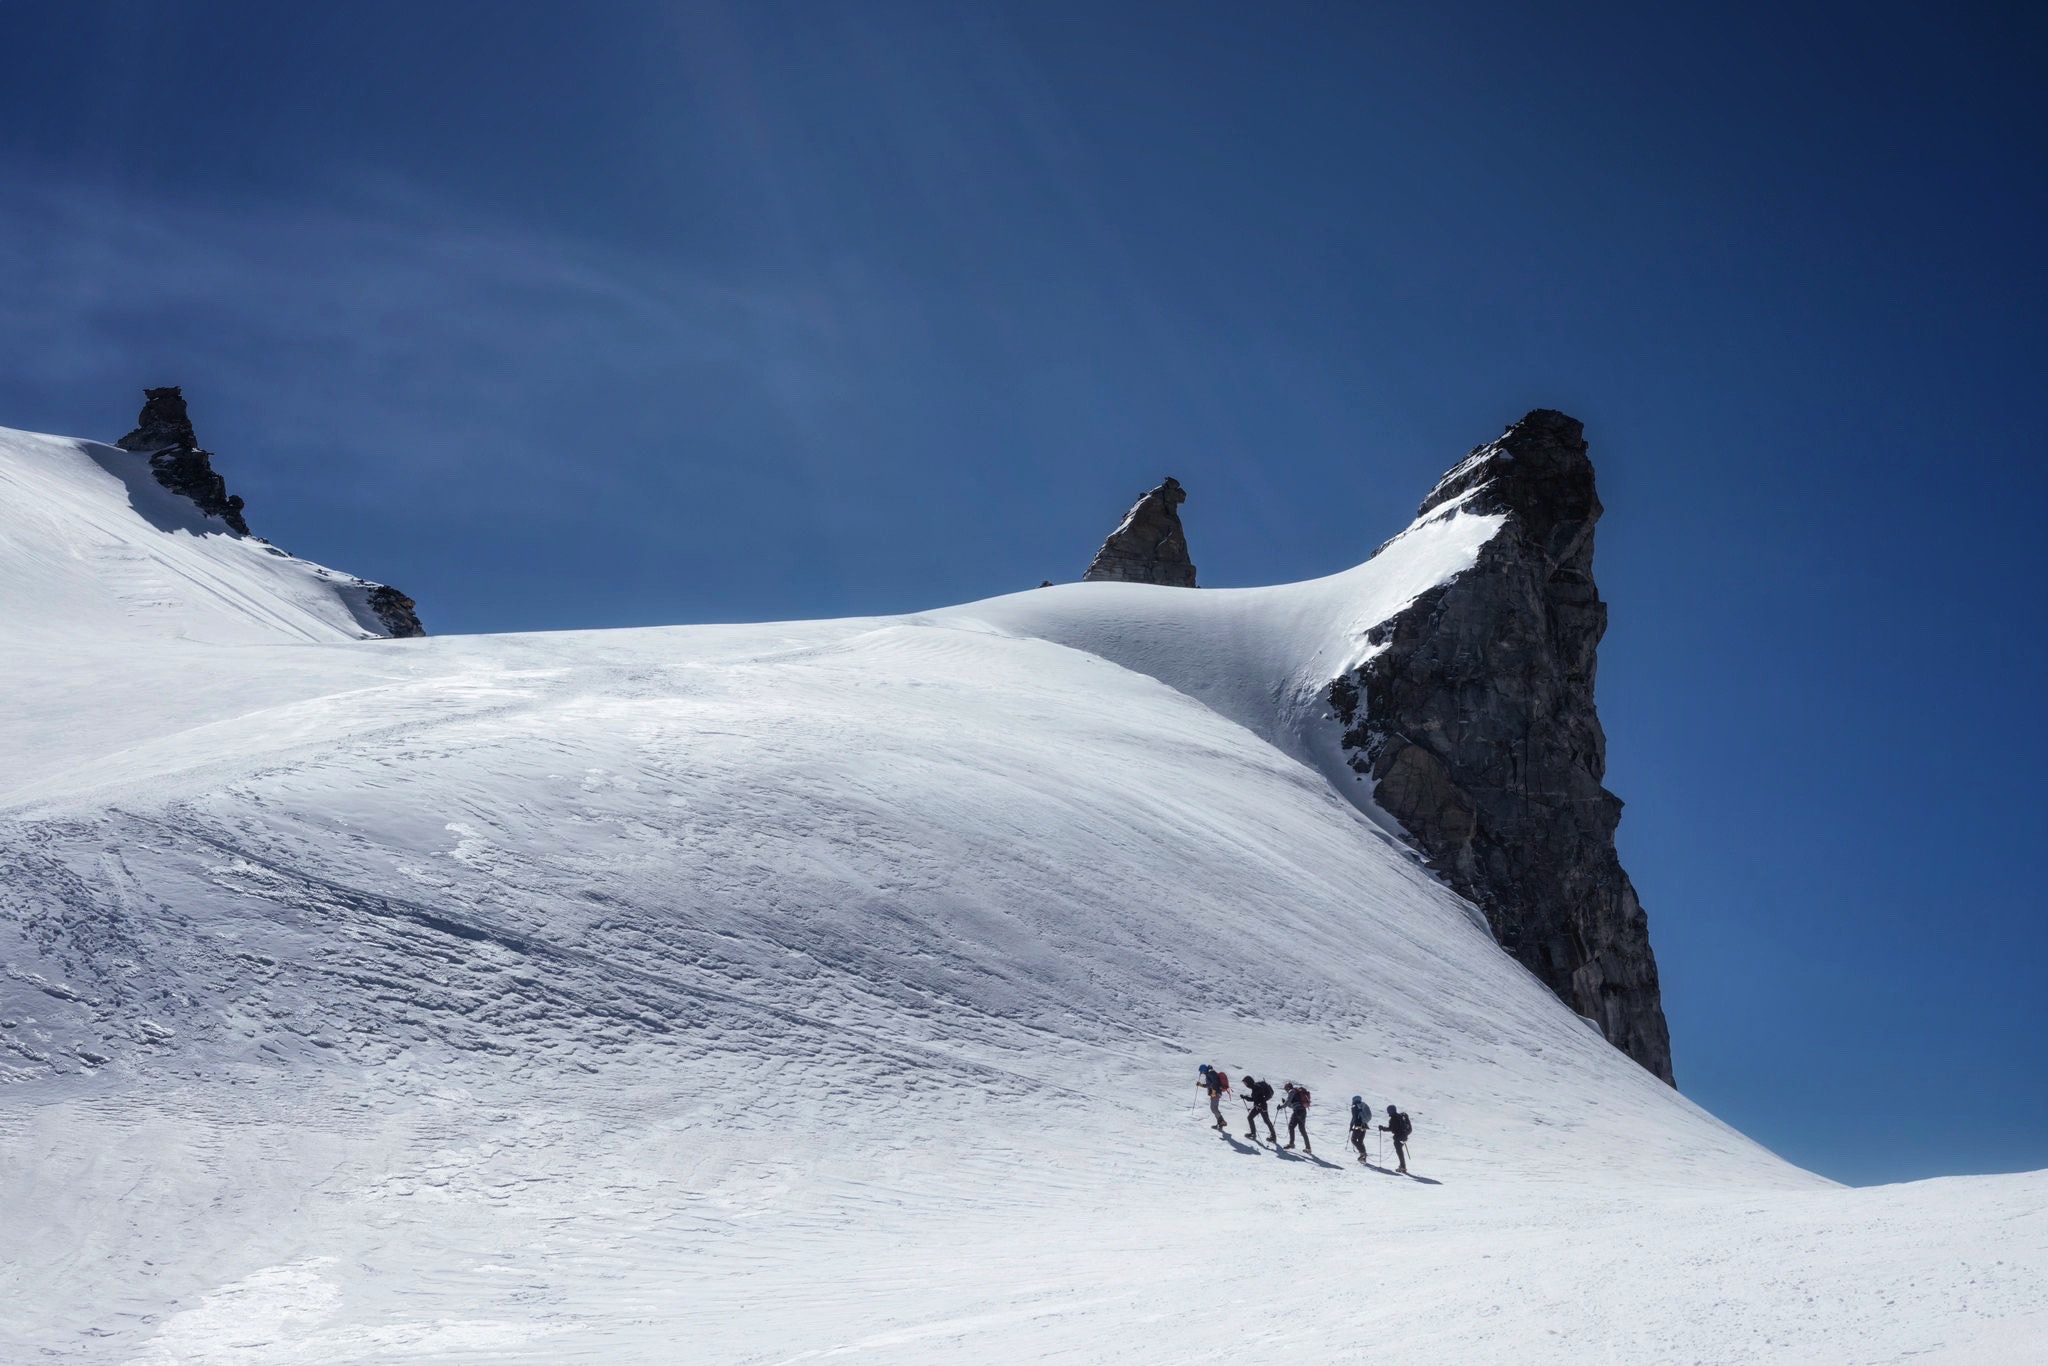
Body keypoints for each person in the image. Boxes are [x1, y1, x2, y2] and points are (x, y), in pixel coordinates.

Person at [1241, 1075, 1277, 1142]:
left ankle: (1273, 1136)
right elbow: (1254, 1099)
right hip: (1258, 1106)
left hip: (1261, 1106)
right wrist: (1245, 1097)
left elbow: (1262, 1097)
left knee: (1266, 1121)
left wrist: (1261, 1105)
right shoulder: (1254, 1087)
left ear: (1249, 1082)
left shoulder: (1256, 1087)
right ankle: (1253, 1133)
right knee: (1250, 1118)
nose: (1245, 1084)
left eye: (1245, 1083)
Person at [1197, 1064, 1231, 1130]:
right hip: (1216, 1093)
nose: (1202, 1073)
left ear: (1204, 1070)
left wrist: (1213, 1092)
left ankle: (1222, 1121)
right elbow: (1209, 1085)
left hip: (1215, 1093)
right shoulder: (1210, 1074)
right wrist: (1201, 1085)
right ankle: (1220, 1124)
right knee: (1215, 1108)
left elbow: (1215, 1083)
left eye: (1202, 1071)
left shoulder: (1211, 1073)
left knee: (1213, 1108)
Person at [1380, 1104, 1413, 1174]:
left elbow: (1391, 1128)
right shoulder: (1400, 1116)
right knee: (1400, 1151)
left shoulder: (1393, 1118)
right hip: (1404, 1136)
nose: (1388, 1112)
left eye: (1388, 1111)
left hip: (1398, 1138)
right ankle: (1402, 1166)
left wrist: (1382, 1128)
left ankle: (1402, 1167)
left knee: (1399, 1152)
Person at [1281, 1081, 1312, 1152]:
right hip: (1302, 1111)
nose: (1286, 1090)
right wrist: (1285, 1104)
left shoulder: (1292, 1091)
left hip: (1297, 1111)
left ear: (1288, 1087)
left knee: (1291, 1126)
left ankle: (1291, 1144)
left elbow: (1288, 1101)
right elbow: (1293, 1105)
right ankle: (1308, 1148)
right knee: (1302, 1130)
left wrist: (1282, 1106)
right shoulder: (1296, 1093)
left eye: (1286, 1089)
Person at [1348, 1096, 1373, 1162]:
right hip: (1364, 1126)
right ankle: (1363, 1158)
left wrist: (1351, 1126)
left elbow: (1354, 1118)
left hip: (1358, 1126)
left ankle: (1362, 1154)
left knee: (1353, 1140)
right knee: (1360, 1141)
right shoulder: (1363, 1106)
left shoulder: (1355, 1107)